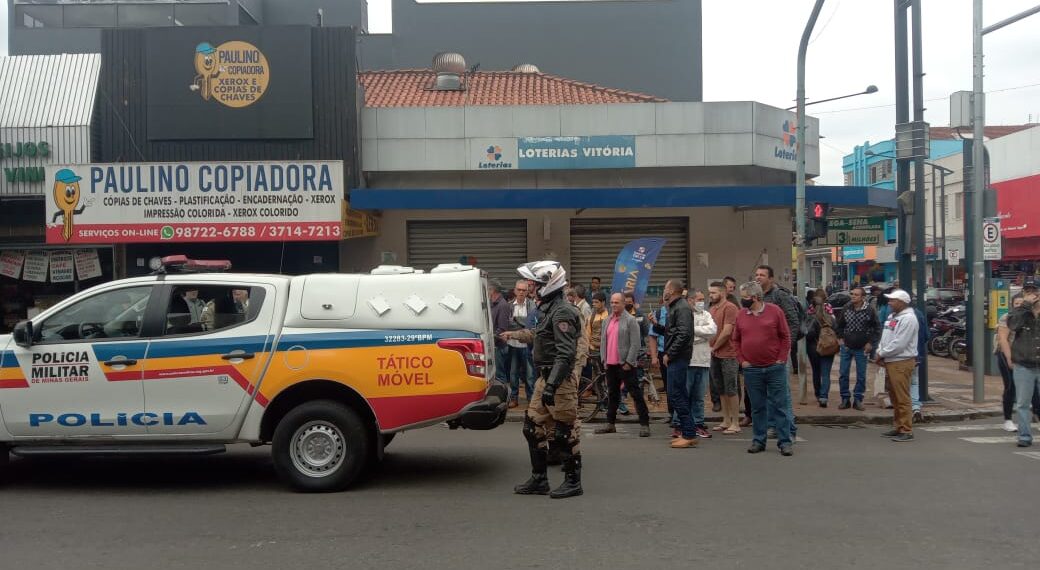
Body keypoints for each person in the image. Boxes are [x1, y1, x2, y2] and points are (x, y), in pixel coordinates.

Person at [503, 260, 584, 499]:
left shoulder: (563, 312)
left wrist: (552, 384)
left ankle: (573, 482)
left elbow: (566, 353)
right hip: (545, 378)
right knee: (532, 427)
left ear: (549, 284)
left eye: (534, 284)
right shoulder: (548, 309)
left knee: (564, 433)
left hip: (559, 381)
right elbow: (539, 335)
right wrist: (512, 335)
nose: (530, 288)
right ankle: (539, 480)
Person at [732, 281, 794, 456]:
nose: (742, 301)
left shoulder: (775, 311)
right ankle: (759, 440)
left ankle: (785, 442)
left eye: (745, 297)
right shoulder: (741, 314)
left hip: (775, 368)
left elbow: (785, 336)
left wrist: (781, 359)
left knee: (780, 406)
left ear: (755, 297)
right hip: (751, 369)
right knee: (757, 407)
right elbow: (735, 339)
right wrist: (742, 360)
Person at [595, 293, 651, 437]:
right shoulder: (607, 320)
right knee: (612, 395)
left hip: (625, 364)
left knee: (636, 394)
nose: (614, 305)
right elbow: (603, 342)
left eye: (617, 302)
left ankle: (645, 424)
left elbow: (635, 343)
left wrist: (629, 362)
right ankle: (610, 423)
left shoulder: (630, 320)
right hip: (610, 364)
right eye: (612, 302)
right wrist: (604, 360)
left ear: (623, 303)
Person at [649, 280, 696, 448]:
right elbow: (672, 331)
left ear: (672, 291)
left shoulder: (682, 307)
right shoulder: (675, 307)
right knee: (677, 393)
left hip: (678, 358)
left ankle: (689, 433)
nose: (664, 292)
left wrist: (670, 354)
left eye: (666, 289)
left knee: (676, 394)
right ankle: (687, 432)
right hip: (676, 357)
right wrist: (656, 326)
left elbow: (684, 334)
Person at [754, 265, 799, 435]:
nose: (758, 278)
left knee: (781, 391)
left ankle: (788, 427)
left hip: (779, 351)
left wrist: (785, 348)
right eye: (757, 275)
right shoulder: (757, 297)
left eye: (762, 275)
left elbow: (793, 322)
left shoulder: (780, 295)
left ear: (771, 278)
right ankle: (772, 424)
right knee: (766, 391)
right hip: (763, 352)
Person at [876, 289, 919, 443]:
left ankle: (906, 429)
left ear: (902, 302)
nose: (889, 303)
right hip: (891, 360)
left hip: (901, 360)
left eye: (893, 300)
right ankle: (898, 426)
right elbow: (886, 336)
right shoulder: (892, 317)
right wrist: (881, 351)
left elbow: (900, 343)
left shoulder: (908, 319)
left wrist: (882, 353)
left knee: (902, 397)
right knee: (894, 396)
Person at [997, 294, 1040, 432]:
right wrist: (1010, 359)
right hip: (1009, 355)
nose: (1020, 305)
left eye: (1022, 302)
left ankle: (1036, 415)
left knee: (1033, 391)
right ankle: (1008, 419)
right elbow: (1003, 339)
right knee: (1011, 387)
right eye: (1017, 303)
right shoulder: (1008, 317)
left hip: (1029, 358)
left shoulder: (1032, 316)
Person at [835, 286, 880, 410]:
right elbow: (839, 325)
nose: (853, 296)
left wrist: (871, 343)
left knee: (861, 375)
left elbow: (877, 329)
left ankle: (858, 399)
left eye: (856, 294)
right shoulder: (846, 308)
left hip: (862, 348)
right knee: (843, 373)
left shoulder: (870, 310)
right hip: (847, 347)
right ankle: (845, 399)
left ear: (863, 297)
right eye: (852, 294)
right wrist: (840, 338)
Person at [1007, 284, 1040, 448]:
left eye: (1035, 292)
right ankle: (1025, 437)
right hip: (1023, 365)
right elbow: (1012, 325)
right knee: (1023, 403)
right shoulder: (1020, 312)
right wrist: (1026, 306)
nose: (1032, 295)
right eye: (1028, 292)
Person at [709, 281, 741, 434]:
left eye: (713, 293)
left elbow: (727, 331)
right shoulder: (712, 309)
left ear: (722, 293)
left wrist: (713, 347)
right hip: (715, 354)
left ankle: (736, 422)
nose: (711, 295)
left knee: (731, 389)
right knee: (720, 389)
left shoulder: (730, 307)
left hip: (728, 354)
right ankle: (726, 419)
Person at [685, 290, 717, 439]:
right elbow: (685, 335)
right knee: (685, 395)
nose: (701, 302)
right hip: (688, 361)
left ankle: (698, 423)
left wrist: (694, 332)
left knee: (699, 396)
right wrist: (701, 335)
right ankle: (682, 424)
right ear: (690, 300)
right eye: (699, 299)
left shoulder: (706, 314)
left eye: (703, 299)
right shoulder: (684, 314)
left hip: (703, 361)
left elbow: (712, 330)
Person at [506, 280, 536, 408]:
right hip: (513, 345)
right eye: (519, 290)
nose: (521, 292)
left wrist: (516, 321)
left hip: (527, 345)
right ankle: (514, 398)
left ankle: (531, 398)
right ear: (515, 290)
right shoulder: (509, 306)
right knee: (513, 374)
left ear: (527, 291)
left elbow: (533, 325)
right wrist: (523, 324)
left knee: (530, 374)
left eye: (524, 290)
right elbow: (508, 325)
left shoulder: (532, 305)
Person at [805, 288, 837, 407]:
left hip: (813, 347)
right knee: (826, 373)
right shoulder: (830, 314)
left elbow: (807, 333)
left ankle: (818, 394)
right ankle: (824, 397)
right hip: (828, 346)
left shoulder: (809, 313)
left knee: (816, 372)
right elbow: (836, 328)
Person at [489, 281, 513, 384]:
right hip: (495, 345)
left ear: (492, 290)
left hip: (499, 346)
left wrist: (490, 339)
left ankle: (503, 398)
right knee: (496, 375)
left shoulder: (502, 305)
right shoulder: (494, 304)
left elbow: (502, 328)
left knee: (500, 376)